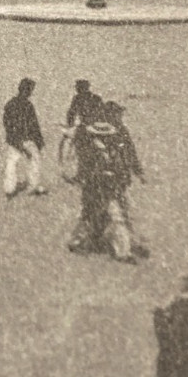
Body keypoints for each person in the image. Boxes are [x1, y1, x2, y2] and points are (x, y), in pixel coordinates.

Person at [67, 103, 143, 262]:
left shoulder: (113, 145)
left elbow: (124, 160)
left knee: (113, 215)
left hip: (110, 187)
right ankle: (82, 240)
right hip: (96, 187)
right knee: (93, 215)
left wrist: (123, 175)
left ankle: (122, 250)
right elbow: (87, 169)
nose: (104, 137)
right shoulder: (91, 148)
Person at [2, 78, 47, 198]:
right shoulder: (28, 105)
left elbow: (7, 124)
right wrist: (39, 141)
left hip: (14, 139)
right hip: (27, 139)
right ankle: (33, 186)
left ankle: (9, 189)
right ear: (28, 91)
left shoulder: (10, 104)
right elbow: (34, 125)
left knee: (11, 163)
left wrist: (12, 138)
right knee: (35, 159)